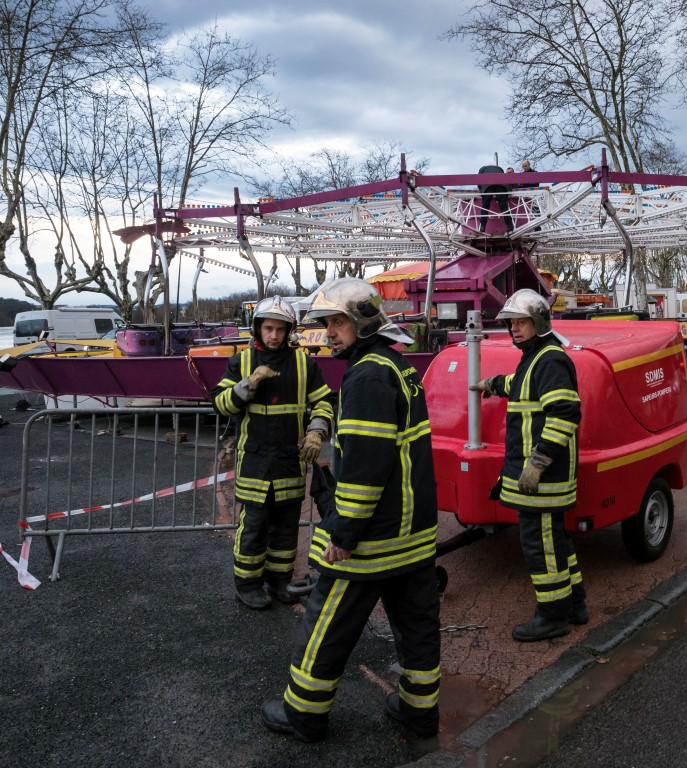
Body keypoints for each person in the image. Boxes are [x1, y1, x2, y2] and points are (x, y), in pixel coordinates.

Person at [260, 278, 441, 750]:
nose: (329, 332)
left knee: (327, 624)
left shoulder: (366, 376)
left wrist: (342, 531)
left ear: (362, 320)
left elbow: (363, 468)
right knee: (418, 629)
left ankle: (302, 714)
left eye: (337, 322)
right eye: (325, 323)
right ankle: (420, 714)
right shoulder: (396, 366)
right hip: (414, 535)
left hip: (373, 539)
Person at [469, 288, 587, 642]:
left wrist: (536, 463)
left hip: (544, 478)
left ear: (538, 321)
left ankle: (552, 616)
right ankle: (575, 605)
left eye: (521, 322)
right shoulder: (536, 358)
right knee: (557, 544)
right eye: (511, 323)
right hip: (542, 477)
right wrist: (492, 384)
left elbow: (565, 413)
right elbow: (522, 387)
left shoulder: (550, 359)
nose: (515, 329)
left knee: (541, 546)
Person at [212, 296, 333, 610]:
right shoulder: (241, 362)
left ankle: (280, 582)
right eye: (268, 328)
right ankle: (248, 585)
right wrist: (247, 385)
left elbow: (323, 403)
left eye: (280, 329)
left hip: (290, 463)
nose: (274, 335)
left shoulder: (306, 364)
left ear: (290, 330)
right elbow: (220, 404)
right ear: (258, 328)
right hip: (254, 463)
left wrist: (316, 430)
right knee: (253, 527)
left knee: (286, 530)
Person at [477, 163, 515, 233]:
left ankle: (482, 227)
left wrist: (482, 192)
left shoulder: (482, 169)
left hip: (487, 186)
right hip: (500, 185)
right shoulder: (500, 169)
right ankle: (510, 226)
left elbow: (479, 181)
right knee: (504, 206)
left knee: (485, 206)